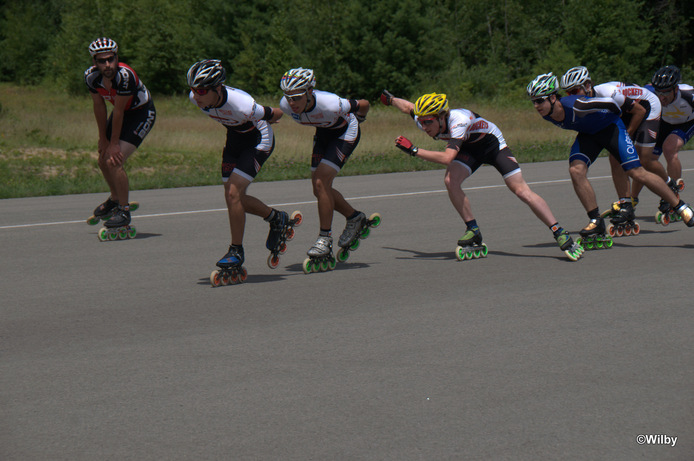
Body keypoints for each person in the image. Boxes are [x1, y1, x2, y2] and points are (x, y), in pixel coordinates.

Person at [381, 90, 583, 261]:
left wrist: (414, 150)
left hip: (492, 145)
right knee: (451, 181)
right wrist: (390, 99)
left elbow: (446, 158)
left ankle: (559, 231)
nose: (424, 128)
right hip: (469, 149)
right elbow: (409, 107)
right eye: (422, 122)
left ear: (442, 117)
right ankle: (473, 230)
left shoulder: (458, 121)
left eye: (428, 123)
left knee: (520, 190)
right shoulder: (427, 118)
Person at [527, 72, 694, 245]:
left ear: (553, 98)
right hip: (589, 134)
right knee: (576, 170)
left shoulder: (576, 104)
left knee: (636, 171)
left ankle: (680, 206)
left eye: (540, 100)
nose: (536, 106)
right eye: (533, 102)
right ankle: (595, 221)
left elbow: (612, 103)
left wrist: (621, 124)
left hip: (611, 129)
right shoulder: (548, 112)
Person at [187, 59, 290, 274]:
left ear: (217, 88)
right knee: (233, 196)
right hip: (235, 139)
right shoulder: (196, 99)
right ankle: (276, 218)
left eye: (202, 90)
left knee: (233, 192)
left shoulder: (242, 105)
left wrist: (278, 115)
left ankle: (236, 251)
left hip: (258, 140)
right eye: (193, 90)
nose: (196, 96)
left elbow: (275, 114)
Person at [278, 67, 371, 267]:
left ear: (310, 92)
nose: (291, 103)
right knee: (318, 188)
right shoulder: (286, 106)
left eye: (296, 97)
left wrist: (361, 117)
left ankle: (324, 239)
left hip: (345, 132)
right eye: (288, 97)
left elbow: (364, 104)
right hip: (323, 134)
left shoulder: (331, 103)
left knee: (321, 181)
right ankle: (355, 218)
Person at [560, 66, 667, 223]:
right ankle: (626, 205)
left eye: (574, 91)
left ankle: (670, 188)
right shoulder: (586, 101)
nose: (570, 96)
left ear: (587, 86)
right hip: (627, 112)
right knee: (615, 157)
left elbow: (639, 111)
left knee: (645, 160)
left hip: (647, 106)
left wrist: (627, 136)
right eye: (568, 93)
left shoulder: (607, 93)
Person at [85, 37, 156, 228]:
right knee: (102, 159)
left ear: (117, 58)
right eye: (102, 60)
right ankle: (115, 199)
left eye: (111, 59)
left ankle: (124, 212)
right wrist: (103, 139)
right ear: (95, 62)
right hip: (121, 113)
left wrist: (114, 143)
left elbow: (117, 110)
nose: (107, 64)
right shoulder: (91, 78)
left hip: (141, 113)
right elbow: (99, 107)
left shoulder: (126, 76)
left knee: (114, 160)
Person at [648, 65, 693, 199]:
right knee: (647, 159)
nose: (661, 97)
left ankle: (674, 196)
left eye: (666, 92)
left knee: (669, 148)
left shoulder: (688, 95)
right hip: (665, 123)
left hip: (687, 123)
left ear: (676, 89)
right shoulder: (650, 92)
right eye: (659, 92)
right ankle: (632, 200)